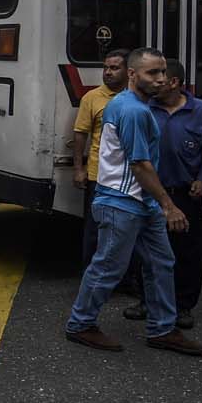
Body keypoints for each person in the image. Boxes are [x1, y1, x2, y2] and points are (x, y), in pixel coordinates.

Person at [65, 47, 202, 357]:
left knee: (161, 263)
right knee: (108, 267)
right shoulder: (133, 110)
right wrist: (169, 205)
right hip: (121, 203)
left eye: (163, 72)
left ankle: (162, 328)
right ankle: (81, 323)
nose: (161, 79)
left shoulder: (136, 106)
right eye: (152, 73)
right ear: (132, 75)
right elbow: (140, 164)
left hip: (141, 203)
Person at [122, 59, 202, 330]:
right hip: (150, 194)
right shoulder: (142, 109)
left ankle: (183, 305)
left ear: (173, 82)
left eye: (161, 76)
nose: (155, 81)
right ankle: (146, 300)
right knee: (146, 252)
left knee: (189, 252)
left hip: (187, 194)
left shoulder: (200, 111)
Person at [72, 49, 129, 265]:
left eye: (114, 68)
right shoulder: (92, 97)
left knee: (125, 229)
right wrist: (79, 168)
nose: (107, 72)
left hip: (129, 177)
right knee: (95, 230)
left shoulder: (136, 97)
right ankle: (91, 276)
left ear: (128, 71)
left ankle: (124, 279)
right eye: (105, 68)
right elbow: (80, 135)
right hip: (99, 176)